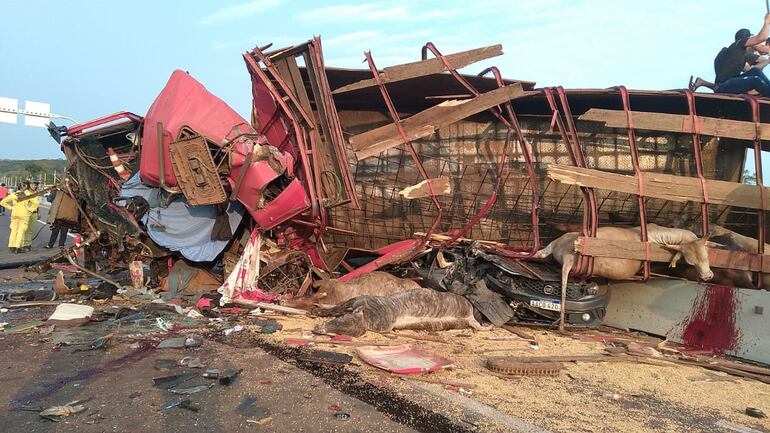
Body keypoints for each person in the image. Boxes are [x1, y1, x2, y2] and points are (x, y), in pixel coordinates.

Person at [712, 14, 770, 97]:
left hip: (726, 84)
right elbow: (762, 37)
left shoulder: (733, 54)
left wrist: (767, 60)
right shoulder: (739, 44)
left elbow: (751, 70)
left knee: (755, 72)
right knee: (755, 81)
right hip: (724, 86)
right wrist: (767, 21)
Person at [0, 185, 38, 253]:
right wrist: (29, 209)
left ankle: (11, 246)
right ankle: (18, 247)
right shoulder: (27, 195)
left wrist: (11, 208)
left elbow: (2, 202)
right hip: (24, 215)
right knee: (21, 231)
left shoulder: (14, 194)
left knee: (13, 230)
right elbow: (36, 203)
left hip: (14, 214)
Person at [21, 181, 40, 253]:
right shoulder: (26, 192)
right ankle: (22, 244)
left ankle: (28, 245)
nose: (34, 186)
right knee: (24, 229)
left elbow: (37, 204)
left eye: (35, 185)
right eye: (32, 185)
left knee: (30, 230)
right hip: (26, 213)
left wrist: (38, 213)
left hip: (34, 214)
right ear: (29, 185)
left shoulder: (36, 194)